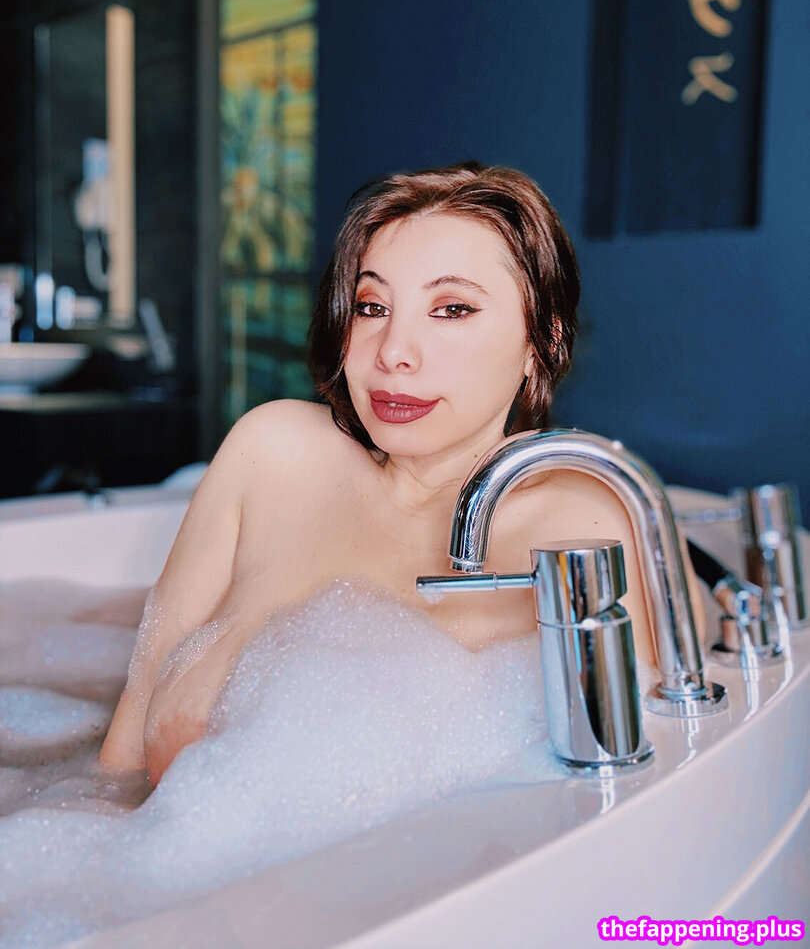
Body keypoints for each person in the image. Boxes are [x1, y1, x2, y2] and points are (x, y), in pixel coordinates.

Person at [100, 161, 704, 785]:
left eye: (452, 309)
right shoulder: (272, 454)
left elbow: (628, 789)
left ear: (541, 344)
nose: (392, 353)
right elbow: (124, 749)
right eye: (372, 306)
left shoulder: (585, 524)